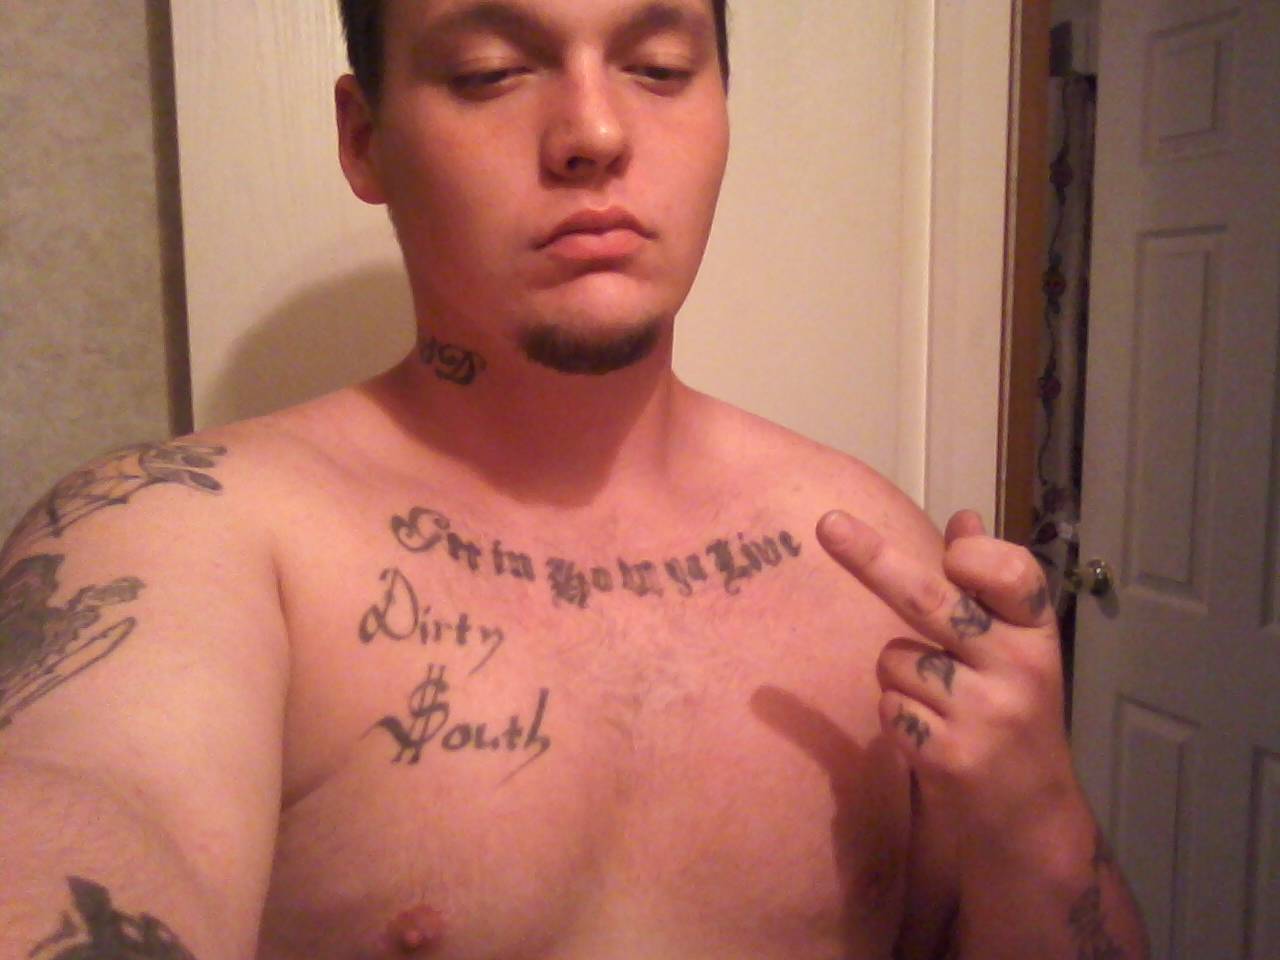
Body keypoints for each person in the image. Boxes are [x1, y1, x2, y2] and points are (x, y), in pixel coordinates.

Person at [0, 1, 1148, 957]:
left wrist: (1038, 820)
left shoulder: (868, 556)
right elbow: (90, 803)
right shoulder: (178, 539)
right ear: (364, 140)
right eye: (489, 72)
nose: (593, 132)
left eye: (659, 68)